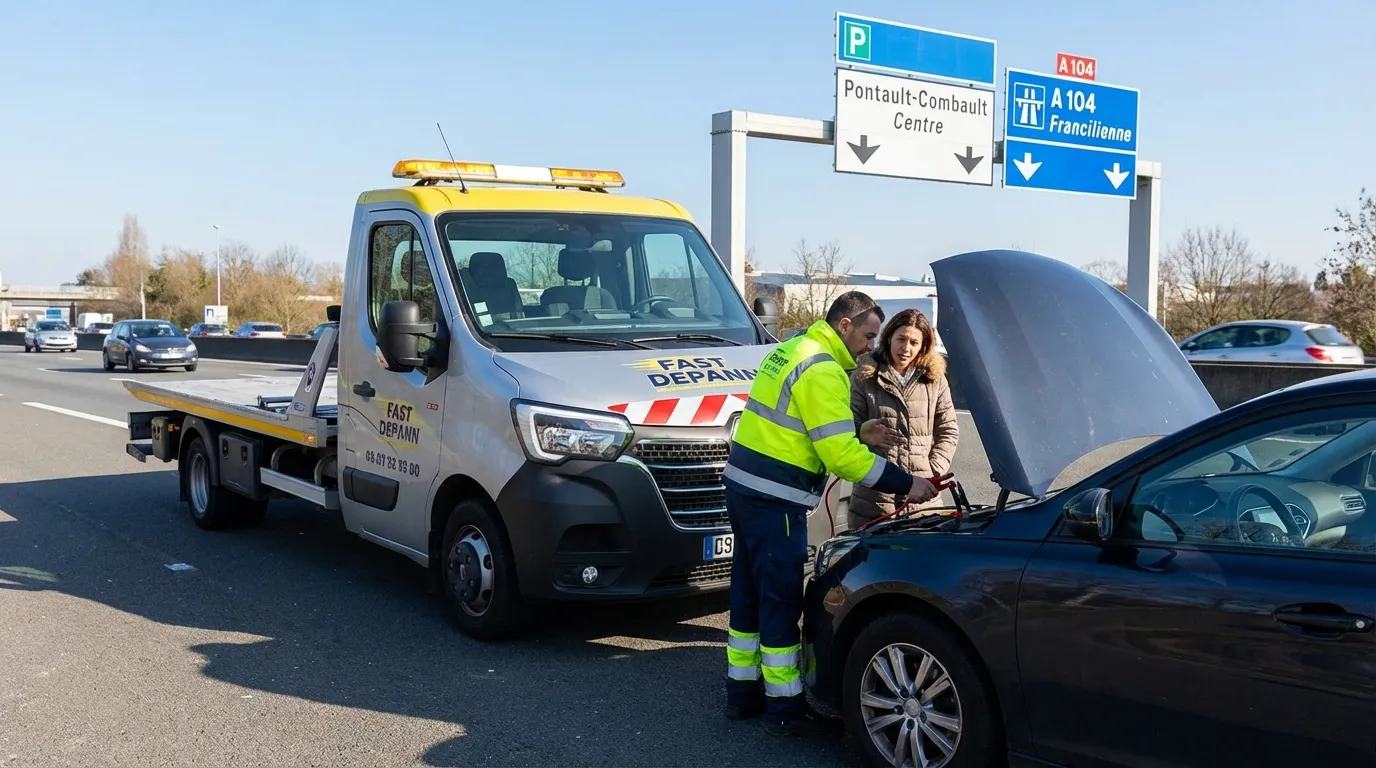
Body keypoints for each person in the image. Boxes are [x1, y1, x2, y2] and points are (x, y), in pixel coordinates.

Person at [722, 290, 948, 737]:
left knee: (747, 593)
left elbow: (795, 424)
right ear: (845, 325)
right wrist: (909, 484)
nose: (871, 344)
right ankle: (784, 709)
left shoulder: (792, 348)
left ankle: (741, 694)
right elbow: (843, 457)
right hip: (776, 498)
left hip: (744, 487)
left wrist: (856, 430)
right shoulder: (824, 369)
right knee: (781, 600)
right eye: (867, 335)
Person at [847, 308, 960, 530]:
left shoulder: (935, 380)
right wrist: (861, 432)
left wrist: (932, 471)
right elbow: (845, 430)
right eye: (901, 339)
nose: (906, 348)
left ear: (923, 345)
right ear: (889, 336)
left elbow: (948, 430)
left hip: (924, 503)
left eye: (914, 342)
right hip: (873, 501)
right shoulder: (864, 376)